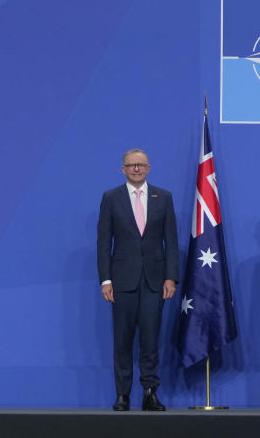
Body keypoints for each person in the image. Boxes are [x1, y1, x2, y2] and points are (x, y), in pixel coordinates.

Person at [96, 149, 179, 412]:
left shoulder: (163, 198)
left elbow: (171, 241)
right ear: (123, 169)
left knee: (151, 339)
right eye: (131, 165)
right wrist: (105, 280)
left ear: (149, 168)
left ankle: (149, 392)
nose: (136, 169)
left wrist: (171, 277)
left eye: (140, 165)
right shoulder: (111, 198)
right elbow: (103, 242)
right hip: (122, 281)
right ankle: (122, 395)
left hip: (155, 281)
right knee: (122, 341)